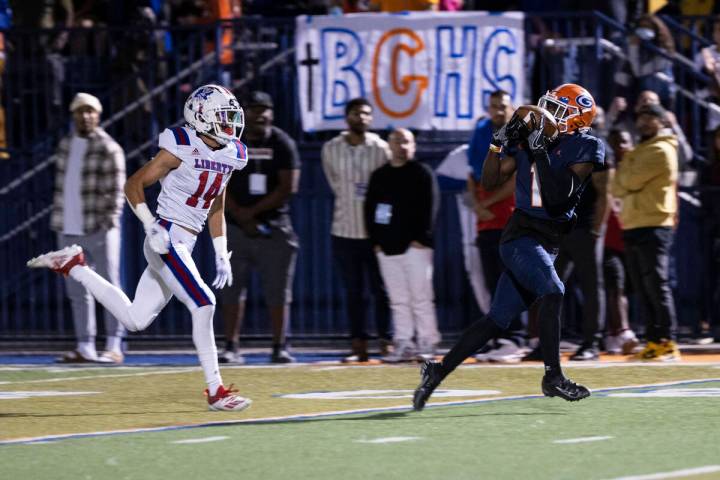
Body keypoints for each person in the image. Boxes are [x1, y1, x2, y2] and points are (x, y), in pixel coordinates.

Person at [27, 84, 252, 412]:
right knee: (204, 303)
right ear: (201, 118)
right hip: (167, 235)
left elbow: (216, 203)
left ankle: (74, 265)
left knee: (135, 319)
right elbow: (133, 184)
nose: (230, 125)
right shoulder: (181, 145)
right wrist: (151, 225)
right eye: (223, 117)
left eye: (231, 117)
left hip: (185, 241)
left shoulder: (232, 153)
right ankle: (217, 391)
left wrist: (220, 250)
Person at [414, 83, 604, 410]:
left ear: (576, 118)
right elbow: (489, 181)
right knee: (554, 292)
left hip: (547, 242)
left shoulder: (586, 146)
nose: (549, 115)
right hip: (521, 237)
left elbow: (559, 199)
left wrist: (539, 149)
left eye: (558, 110)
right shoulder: (535, 142)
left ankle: (438, 371)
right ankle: (552, 376)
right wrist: (496, 144)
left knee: (496, 320)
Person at [220, 91, 300, 364]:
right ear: (243, 113)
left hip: (274, 225)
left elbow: (289, 186)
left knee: (278, 289)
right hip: (234, 226)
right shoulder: (228, 141)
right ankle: (231, 345)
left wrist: (251, 213)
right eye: (254, 109)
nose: (260, 114)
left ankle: (280, 346)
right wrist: (240, 214)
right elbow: (217, 181)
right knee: (231, 287)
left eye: (265, 109)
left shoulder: (282, 143)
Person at [49, 92, 126, 364]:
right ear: (73, 115)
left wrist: (109, 222)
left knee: (109, 287)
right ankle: (85, 346)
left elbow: (118, 191)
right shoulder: (65, 144)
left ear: (98, 114)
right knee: (76, 292)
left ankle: (115, 346)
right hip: (67, 227)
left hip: (99, 227)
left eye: (90, 111)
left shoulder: (109, 147)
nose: (85, 116)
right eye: (80, 111)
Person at [321, 97, 392, 362]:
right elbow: (334, 183)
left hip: (375, 234)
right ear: (347, 117)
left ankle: (386, 340)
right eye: (355, 113)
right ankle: (358, 344)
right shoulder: (331, 148)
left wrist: (383, 230)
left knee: (381, 290)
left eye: (365, 114)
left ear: (371, 119)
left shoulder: (381, 148)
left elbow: (386, 191)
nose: (360, 118)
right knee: (353, 292)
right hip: (344, 230)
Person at [364, 128, 440, 362]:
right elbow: (369, 210)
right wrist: (376, 242)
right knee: (397, 298)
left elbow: (431, 206)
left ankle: (427, 341)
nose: (402, 146)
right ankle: (403, 342)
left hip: (416, 248)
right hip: (386, 249)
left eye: (406, 141)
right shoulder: (379, 176)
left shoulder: (422, 173)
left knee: (420, 296)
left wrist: (422, 239)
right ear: (389, 145)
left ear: (413, 146)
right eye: (397, 141)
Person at [612, 103, 680, 361]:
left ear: (662, 121)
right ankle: (653, 341)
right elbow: (617, 188)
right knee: (643, 287)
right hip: (633, 223)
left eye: (651, 116)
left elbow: (626, 182)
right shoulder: (639, 150)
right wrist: (626, 173)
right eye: (641, 116)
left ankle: (668, 341)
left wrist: (626, 170)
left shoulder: (662, 150)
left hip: (654, 223)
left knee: (657, 283)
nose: (644, 121)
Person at [467, 90, 524, 363]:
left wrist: (486, 201)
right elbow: (471, 173)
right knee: (492, 283)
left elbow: (515, 179)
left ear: (512, 108)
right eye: (493, 107)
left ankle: (515, 338)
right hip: (486, 221)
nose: (498, 111)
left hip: (511, 218)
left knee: (510, 282)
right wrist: (477, 205)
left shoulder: (521, 137)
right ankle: (499, 337)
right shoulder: (481, 135)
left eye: (503, 106)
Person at [553, 107, 612, 361]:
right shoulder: (557, 143)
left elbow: (604, 192)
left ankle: (592, 343)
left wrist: (596, 229)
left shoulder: (595, 145)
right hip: (559, 227)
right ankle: (547, 340)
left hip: (584, 226)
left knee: (590, 286)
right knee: (548, 287)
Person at [603, 128, 639, 354]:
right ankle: (624, 331)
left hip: (633, 235)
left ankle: (613, 333)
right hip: (608, 239)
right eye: (615, 143)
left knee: (626, 289)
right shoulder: (605, 170)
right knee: (616, 285)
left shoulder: (637, 169)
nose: (620, 147)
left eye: (624, 142)